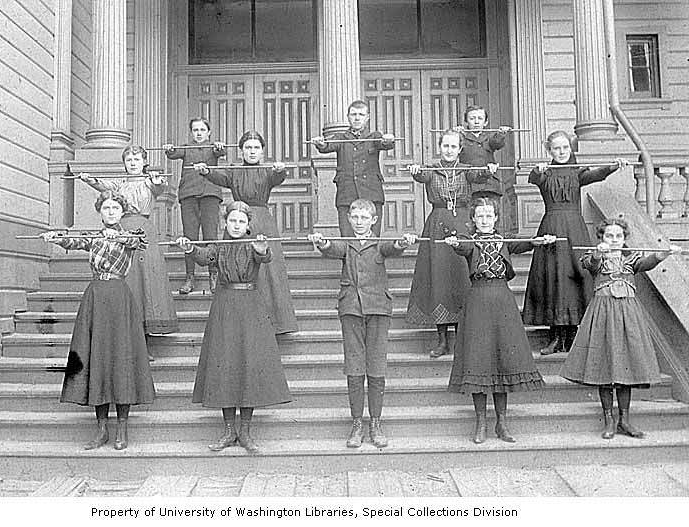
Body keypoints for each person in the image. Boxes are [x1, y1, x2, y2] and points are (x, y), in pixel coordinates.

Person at [41, 190, 155, 451]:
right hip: (95, 299)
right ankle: (102, 428)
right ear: (100, 212)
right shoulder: (93, 238)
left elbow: (138, 242)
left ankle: (122, 429)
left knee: (121, 359)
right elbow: (73, 242)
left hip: (119, 300)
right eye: (106, 208)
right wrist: (55, 237)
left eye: (116, 207)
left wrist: (121, 236)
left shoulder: (131, 235)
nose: (111, 211)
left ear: (122, 212)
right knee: (97, 359)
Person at [175, 201, 291, 454]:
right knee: (225, 366)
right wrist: (190, 247)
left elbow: (266, 256)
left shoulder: (254, 245)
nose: (236, 225)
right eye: (232, 221)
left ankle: (246, 432)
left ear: (248, 225)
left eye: (241, 222)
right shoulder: (218, 246)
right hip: (224, 308)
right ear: (224, 223)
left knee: (248, 365)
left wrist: (261, 249)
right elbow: (204, 257)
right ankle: (229, 431)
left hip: (250, 308)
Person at [308, 199, 417, 449]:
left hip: (378, 309)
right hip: (351, 309)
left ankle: (375, 422)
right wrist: (322, 242)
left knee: (376, 367)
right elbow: (331, 248)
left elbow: (393, 247)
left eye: (364, 218)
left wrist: (402, 242)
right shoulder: (345, 244)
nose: (359, 222)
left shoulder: (379, 244)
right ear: (349, 219)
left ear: (374, 220)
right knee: (355, 367)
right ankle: (357, 423)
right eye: (355, 217)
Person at [561, 218, 683, 439]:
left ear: (625, 239)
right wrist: (599, 252)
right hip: (602, 315)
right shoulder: (593, 257)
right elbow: (591, 265)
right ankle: (609, 420)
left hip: (628, 315)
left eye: (618, 236)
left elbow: (648, 263)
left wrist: (665, 253)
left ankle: (624, 420)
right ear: (601, 238)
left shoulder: (631, 259)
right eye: (609, 236)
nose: (614, 240)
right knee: (605, 368)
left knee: (625, 367)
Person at [444, 197, 547, 444]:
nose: (485, 220)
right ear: (473, 220)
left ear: (496, 218)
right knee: (478, 361)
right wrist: (453, 242)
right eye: (480, 216)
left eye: (489, 216)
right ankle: (481, 423)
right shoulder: (470, 242)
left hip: (503, 302)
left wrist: (539, 240)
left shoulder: (504, 241)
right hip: (478, 302)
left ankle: (502, 422)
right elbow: (462, 247)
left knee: (503, 360)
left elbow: (525, 244)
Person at [523, 131, 628, 355]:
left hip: (574, 230)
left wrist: (613, 166)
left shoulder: (579, 173)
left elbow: (597, 174)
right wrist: (537, 170)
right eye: (556, 149)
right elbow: (533, 178)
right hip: (551, 227)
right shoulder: (546, 173)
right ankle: (556, 337)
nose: (561, 152)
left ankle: (571, 337)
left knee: (574, 279)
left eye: (565, 148)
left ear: (570, 149)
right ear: (548, 150)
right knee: (554, 278)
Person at [404, 129, 498, 358]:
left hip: (464, 225)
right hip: (437, 227)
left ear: (460, 149)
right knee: (440, 279)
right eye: (445, 146)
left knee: (461, 279)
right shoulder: (431, 169)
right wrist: (416, 171)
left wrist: (488, 170)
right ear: (440, 147)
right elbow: (421, 176)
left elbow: (479, 176)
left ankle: (462, 340)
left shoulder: (466, 171)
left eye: (453, 146)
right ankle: (442, 340)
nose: (449, 150)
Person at [193, 131, 297, 334]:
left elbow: (277, 178)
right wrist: (206, 171)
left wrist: (280, 171)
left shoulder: (267, 171)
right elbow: (218, 176)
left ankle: (273, 323)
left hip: (263, 223)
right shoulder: (233, 171)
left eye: (256, 147)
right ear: (241, 150)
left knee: (268, 272)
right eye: (248, 147)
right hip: (237, 222)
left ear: (262, 151)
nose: (252, 151)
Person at [79, 145, 179, 335]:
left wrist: (157, 181)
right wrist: (88, 179)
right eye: (129, 160)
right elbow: (103, 186)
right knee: (129, 280)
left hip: (143, 233)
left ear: (144, 162)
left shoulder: (150, 182)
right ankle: (130, 333)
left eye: (137, 159)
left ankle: (145, 336)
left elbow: (159, 187)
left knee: (146, 281)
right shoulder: (120, 185)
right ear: (124, 163)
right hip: (122, 231)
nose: (133, 163)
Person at [311, 100, 396, 236]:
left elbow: (385, 144)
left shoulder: (374, 137)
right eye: (353, 114)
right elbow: (327, 146)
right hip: (347, 195)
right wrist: (321, 144)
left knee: (372, 240)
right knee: (347, 239)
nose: (357, 118)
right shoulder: (341, 137)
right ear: (348, 117)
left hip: (371, 194)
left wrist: (389, 140)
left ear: (367, 117)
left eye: (361, 114)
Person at [164, 118, 226, 294]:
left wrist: (220, 147)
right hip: (188, 196)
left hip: (210, 195)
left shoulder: (214, 147)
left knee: (210, 236)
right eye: (195, 130)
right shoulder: (186, 147)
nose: (198, 133)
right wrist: (168, 148)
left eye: (202, 130)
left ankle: (213, 275)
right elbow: (172, 153)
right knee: (189, 237)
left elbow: (221, 151)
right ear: (191, 132)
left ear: (209, 132)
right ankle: (189, 277)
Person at [454, 105, 511, 199]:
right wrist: (455, 134)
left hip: (490, 185)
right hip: (469, 186)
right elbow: (453, 149)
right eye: (472, 118)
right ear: (466, 122)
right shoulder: (461, 138)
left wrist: (501, 134)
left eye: (480, 118)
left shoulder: (489, 138)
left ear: (485, 122)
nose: (476, 122)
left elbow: (497, 143)